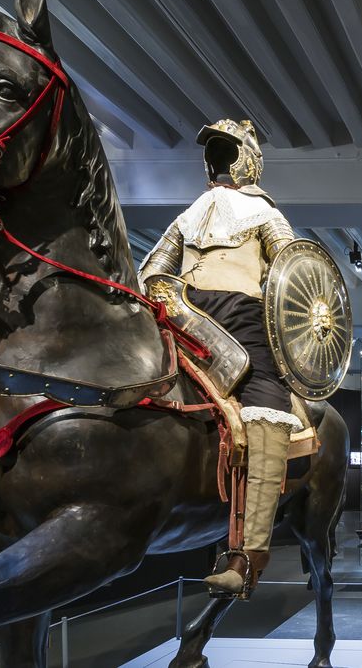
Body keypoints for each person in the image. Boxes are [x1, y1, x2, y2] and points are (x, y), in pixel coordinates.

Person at [138, 119, 299, 597]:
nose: (220, 163)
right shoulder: (189, 215)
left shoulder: (266, 213)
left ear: (245, 158)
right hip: (185, 319)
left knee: (267, 402)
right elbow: (154, 269)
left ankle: (247, 554)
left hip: (245, 322)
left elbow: (293, 272)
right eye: (215, 154)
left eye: (227, 152)